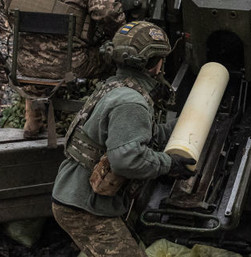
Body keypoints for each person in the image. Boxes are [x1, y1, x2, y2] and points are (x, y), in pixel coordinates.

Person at [51, 21, 195, 257]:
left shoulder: (114, 87)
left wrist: (181, 126)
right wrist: (170, 164)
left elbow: (137, 134)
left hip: (75, 197)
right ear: (153, 63)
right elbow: (126, 159)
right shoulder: (132, 102)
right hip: (84, 207)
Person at [6, 0, 125, 138]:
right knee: (114, 57)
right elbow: (108, 14)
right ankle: (101, 122)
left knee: (37, 51)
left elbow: (9, 10)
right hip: (70, 67)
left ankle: (33, 121)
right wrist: (119, 36)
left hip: (22, 64)